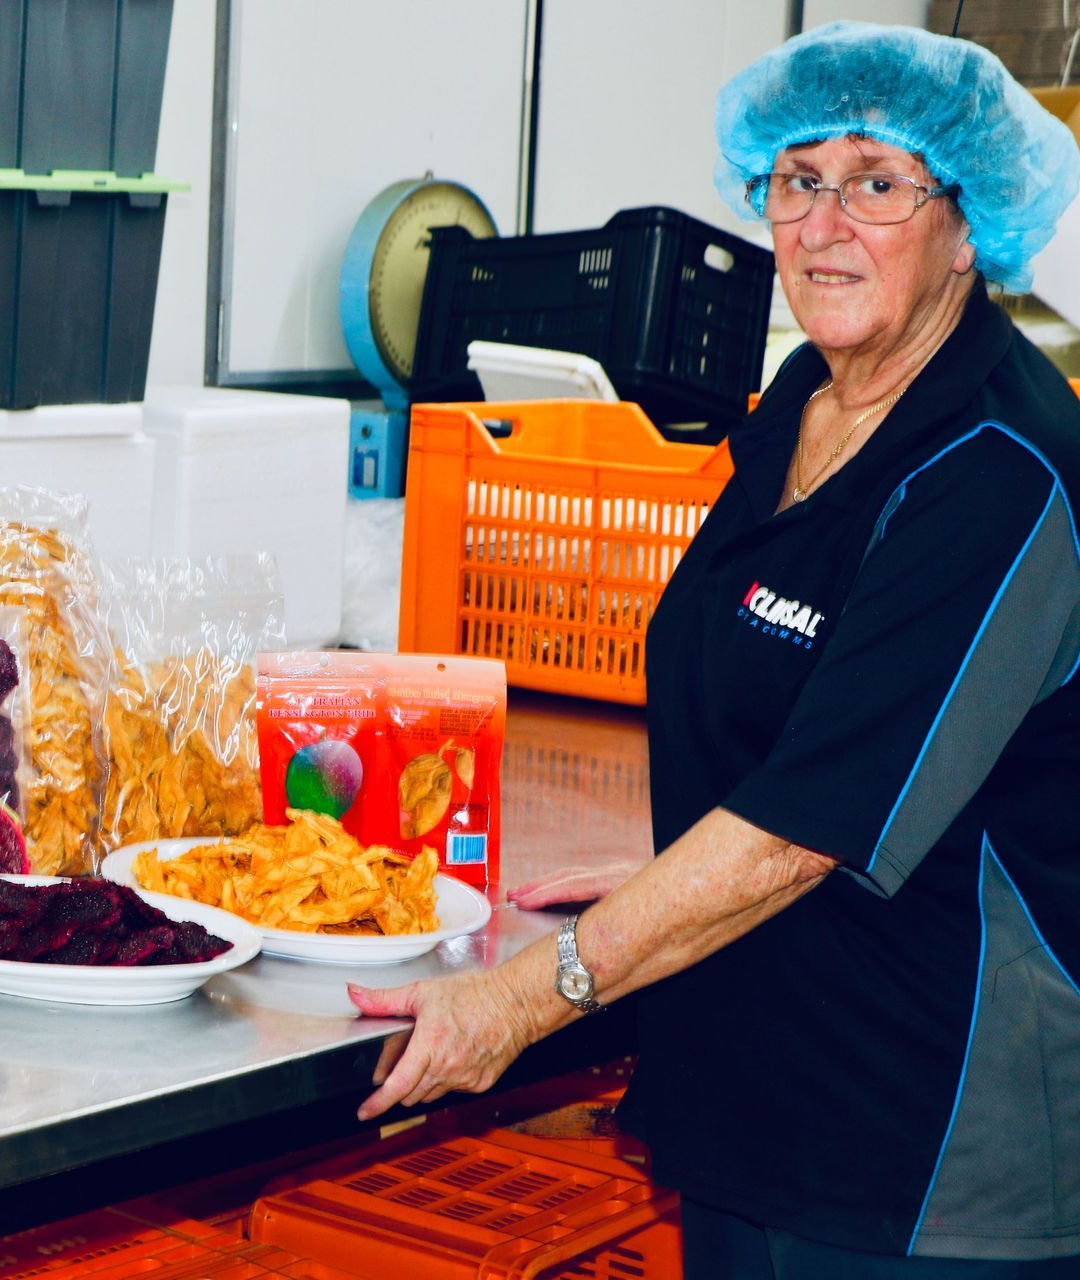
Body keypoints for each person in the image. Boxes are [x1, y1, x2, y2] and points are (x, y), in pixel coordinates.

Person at [347, 22, 1080, 1278]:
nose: (825, 221)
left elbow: (810, 822)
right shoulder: (800, 411)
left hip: (922, 1149)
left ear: (971, 225)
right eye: (798, 179)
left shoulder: (1001, 470)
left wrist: (525, 996)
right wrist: (660, 884)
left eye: (878, 181)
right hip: (749, 1084)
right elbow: (780, 717)